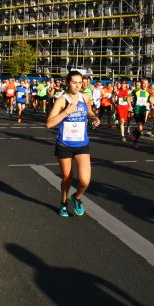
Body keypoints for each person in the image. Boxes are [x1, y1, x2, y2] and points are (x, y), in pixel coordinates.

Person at [46, 70, 100, 217]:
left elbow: (89, 110)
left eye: (80, 82)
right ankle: (63, 202)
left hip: (82, 144)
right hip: (65, 144)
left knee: (85, 180)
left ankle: (76, 197)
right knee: (67, 177)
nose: (78, 85)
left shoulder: (85, 97)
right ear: (67, 83)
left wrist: (94, 117)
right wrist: (66, 112)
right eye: (74, 82)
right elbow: (49, 124)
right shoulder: (62, 100)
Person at [130, 78, 154, 148]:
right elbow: (128, 97)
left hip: (143, 111)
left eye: (146, 84)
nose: (145, 85)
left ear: (148, 84)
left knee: (141, 128)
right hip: (137, 110)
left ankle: (134, 133)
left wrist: (152, 101)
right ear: (141, 83)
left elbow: (151, 100)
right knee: (140, 128)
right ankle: (135, 142)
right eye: (143, 83)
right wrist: (130, 106)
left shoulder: (149, 92)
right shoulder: (136, 91)